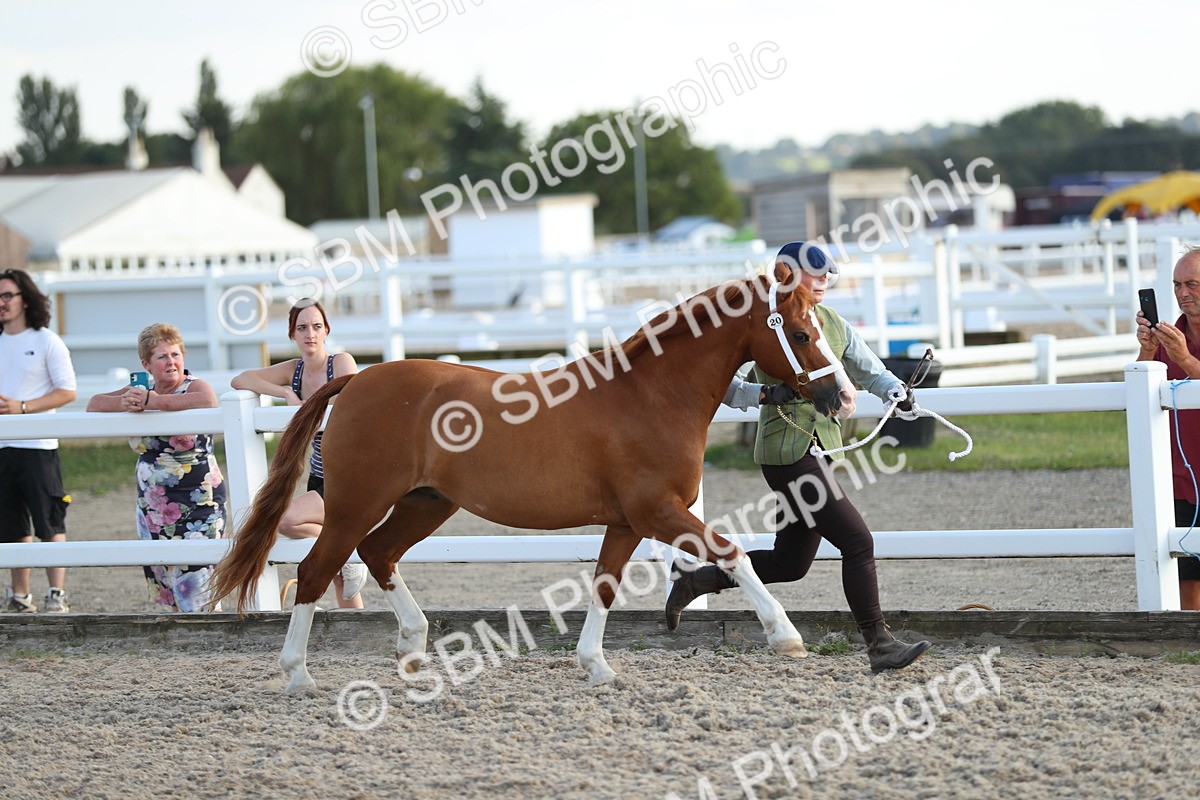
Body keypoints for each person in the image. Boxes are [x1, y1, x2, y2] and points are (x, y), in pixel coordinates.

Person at [666, 241, 931, 671]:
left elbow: (867, 368)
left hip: (821, 450)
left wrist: (894, 391)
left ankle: (698, 579)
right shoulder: (764, 322)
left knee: (791, 564)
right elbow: (725, 385)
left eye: (828, 274)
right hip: (787, 454)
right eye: (814, 273)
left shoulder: (829, 322)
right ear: (785, 274)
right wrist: (765, 393)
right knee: (858, 542)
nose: (824, 280)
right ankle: (879, 644)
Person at [230, 300, 366, 608]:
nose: (310, 334)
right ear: (292, 334)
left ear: (326, 330)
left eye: (317, 326)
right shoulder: (294, 370)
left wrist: (309, 406)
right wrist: (286, 393)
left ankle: (350, 552)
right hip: (319, 476)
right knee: (339, 575)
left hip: (349, 476)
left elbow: (354, 406)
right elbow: (240, 380)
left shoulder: (340, 362)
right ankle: (356, 627)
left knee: (288, 520)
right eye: (302, 328)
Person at [87, 323, 226, 612]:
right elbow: (94, 404)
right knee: (166, 578)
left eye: (176, 354)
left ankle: (206, 635)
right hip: (152, 505)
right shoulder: (140, 388)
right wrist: (125, 402)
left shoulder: (194, 387)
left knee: (197, 578)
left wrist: (155, 402)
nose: (171, 362)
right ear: (146, 364)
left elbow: (208, 401)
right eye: (162, 357)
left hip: (197, 501)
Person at [0, 269, 77, 613]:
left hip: (39, 447)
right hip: (2, 448)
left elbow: (67, 391)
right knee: (11, 524)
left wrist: (23, 408)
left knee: (49, 521)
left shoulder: (47, 340)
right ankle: (20, 596)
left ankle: (56, 594)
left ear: (25, 299)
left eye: (7, 296)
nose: (1, 303)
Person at [1136, 246, 1200, 610]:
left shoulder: (1177, 345)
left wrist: (1185, 360)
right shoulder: (1169, 335)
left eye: (1191, 284)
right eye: (1177, 284)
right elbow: (1137, 391)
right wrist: (1147, 350)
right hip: (1179, 472)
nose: (1182, 293)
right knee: (1186, 569)